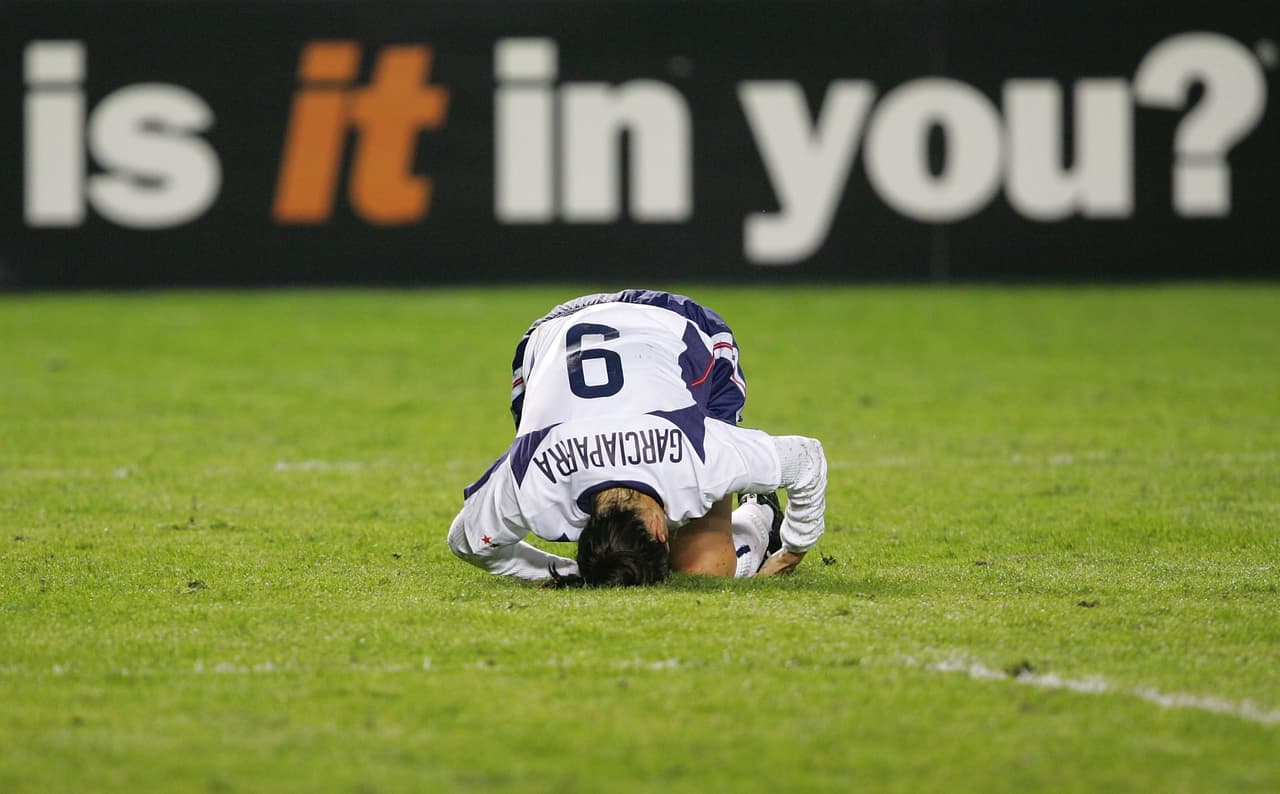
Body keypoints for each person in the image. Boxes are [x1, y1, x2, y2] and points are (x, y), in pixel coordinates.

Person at [447, 290, 827, 586]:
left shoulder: (698, 456)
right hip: (553, 332)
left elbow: (805, 458)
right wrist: (570, 571)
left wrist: (791, 551)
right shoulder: (533, 480)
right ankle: (749, 516)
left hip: (676, 323)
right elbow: (467, 542)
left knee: (707, 567)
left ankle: (760, 508)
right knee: (700, 565)